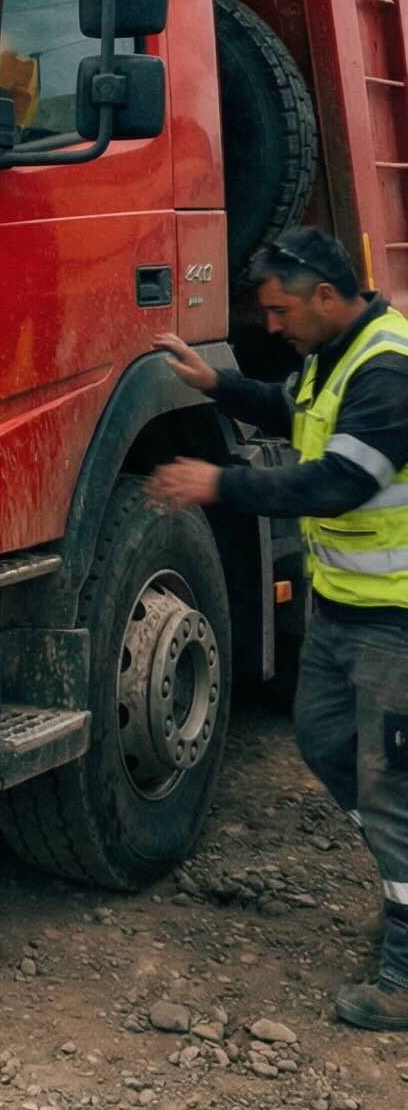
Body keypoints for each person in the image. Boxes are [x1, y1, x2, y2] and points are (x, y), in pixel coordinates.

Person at [147, 228, 408, 1029]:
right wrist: (217, 385)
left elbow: (341, 481)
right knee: (328, 745)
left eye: (280, 309)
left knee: (386, 784)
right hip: (345, 608)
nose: (271, 325)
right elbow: (294, 410)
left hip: (393, 620)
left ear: (326, 295)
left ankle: (404, 967)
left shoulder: (388, 369)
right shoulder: (335, 354)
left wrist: (220, 483)